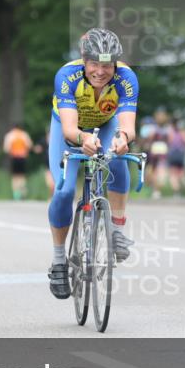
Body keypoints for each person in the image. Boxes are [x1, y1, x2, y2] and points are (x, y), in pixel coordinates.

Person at [46, 27, 138, 300]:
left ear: (115, 64)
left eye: (107, 65)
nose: (101, 71)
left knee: (118, 158)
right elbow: (69, 129)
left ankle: (117, 230)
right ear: (84, 61)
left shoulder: (126, 78)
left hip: (106, 124)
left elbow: (128, 126)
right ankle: (59, 261)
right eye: (94, 63)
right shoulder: (67, 76)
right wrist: (83, 139)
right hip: (70, 129)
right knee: (63, 190)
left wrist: (123, 139)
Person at [144, 108, 171, 198]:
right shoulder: (154, 128)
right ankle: (155, 188)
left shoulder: (167, 128)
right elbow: (149, 139)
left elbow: (170, 140)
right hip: (155, 152)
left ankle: (157, 189)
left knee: (160, 171)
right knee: (153, 171)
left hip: (162, 152)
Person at [3, 123, 33, 200]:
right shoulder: (24, 135)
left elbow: (6, 148)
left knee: (15, 176)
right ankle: (23, 191)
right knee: (22, 175)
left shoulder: (10, 135)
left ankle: (16, 194)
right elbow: (29, 145)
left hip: (14, 157)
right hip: (23, 157)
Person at [166, 115, 185, 195]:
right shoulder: (183, 131)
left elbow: (168, 142)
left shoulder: (170, 131)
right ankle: (184, 182)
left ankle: (176, 191)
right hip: (181, 153)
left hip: (172, 153)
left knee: (173, 174)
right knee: (182, 172)